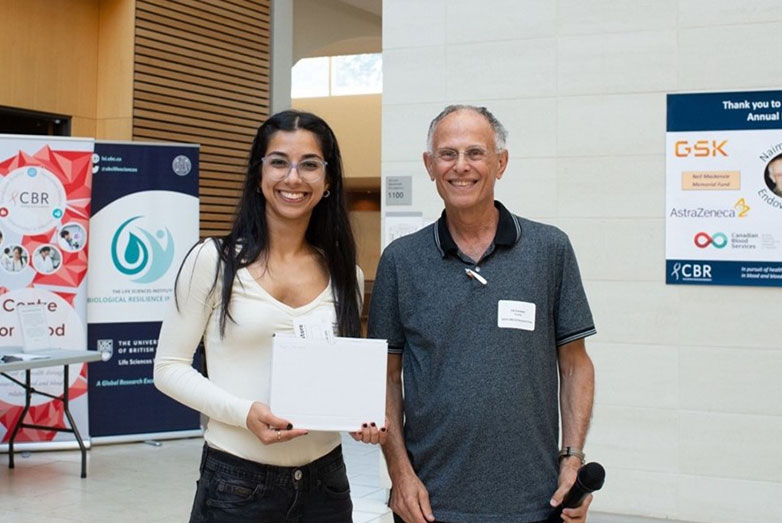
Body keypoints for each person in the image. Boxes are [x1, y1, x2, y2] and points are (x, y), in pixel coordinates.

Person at [154, 110, 386, 523]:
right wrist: (243, 412)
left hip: (326, 485)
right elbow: (168, 368)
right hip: (236, 485)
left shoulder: (345, 274)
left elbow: (337, 378)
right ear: (258, 174)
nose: (293, 178)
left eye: (310, 164)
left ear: (328, 182)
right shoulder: (214, 261)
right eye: (279, 162)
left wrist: (361, 417)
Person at [368, 105, 597, 523]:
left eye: (475, 153)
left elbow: (575, 366)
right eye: (447, 154)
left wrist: (573, 458)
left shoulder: (550, 250)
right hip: (428, 505)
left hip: (535, 502)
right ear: (430, 166)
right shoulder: (400, 261)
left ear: (501, 163)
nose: (461, 167)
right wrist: (399, 474)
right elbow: (385, 376)